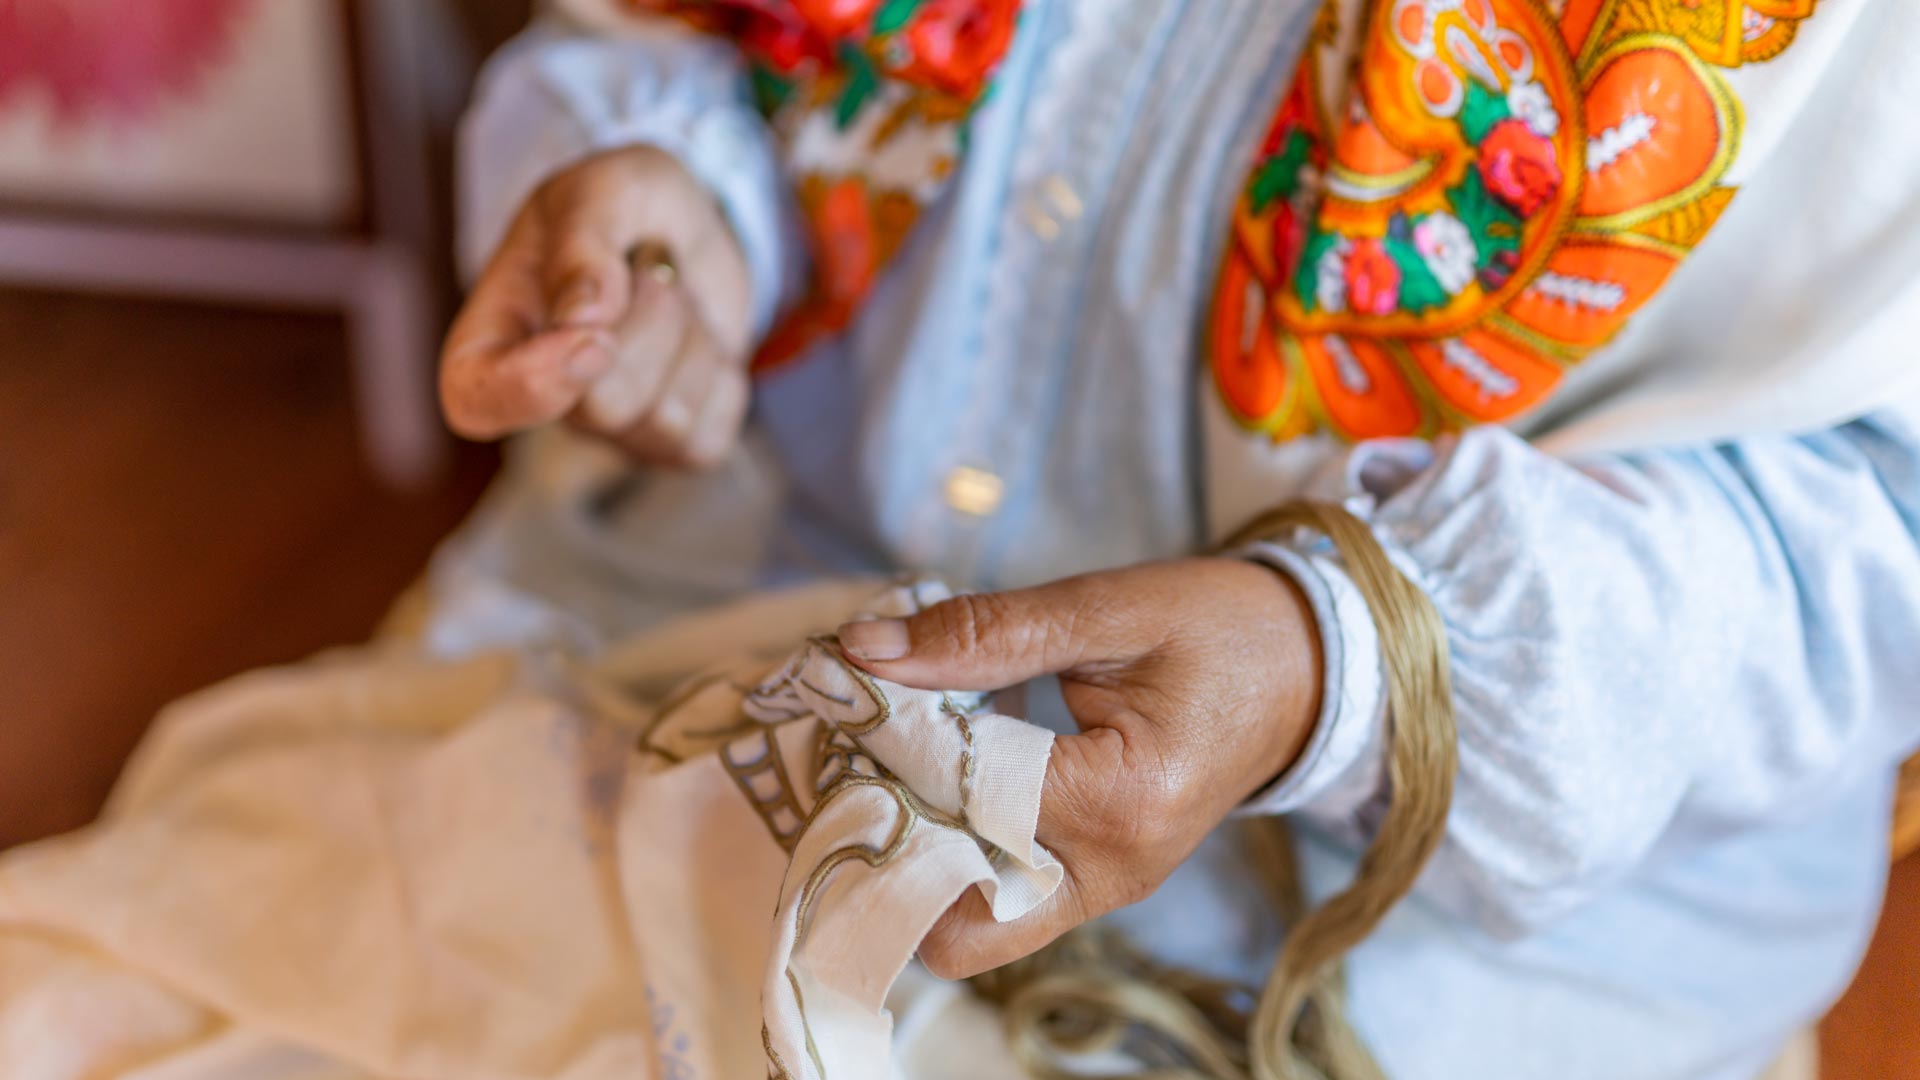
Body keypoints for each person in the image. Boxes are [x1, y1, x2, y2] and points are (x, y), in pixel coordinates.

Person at [431, 0, 1920, 1076]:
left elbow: (1881, 534)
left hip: (1430, 952)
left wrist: (1345, 661)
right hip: (712, 624)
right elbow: (703, 41)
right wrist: (683, 200)